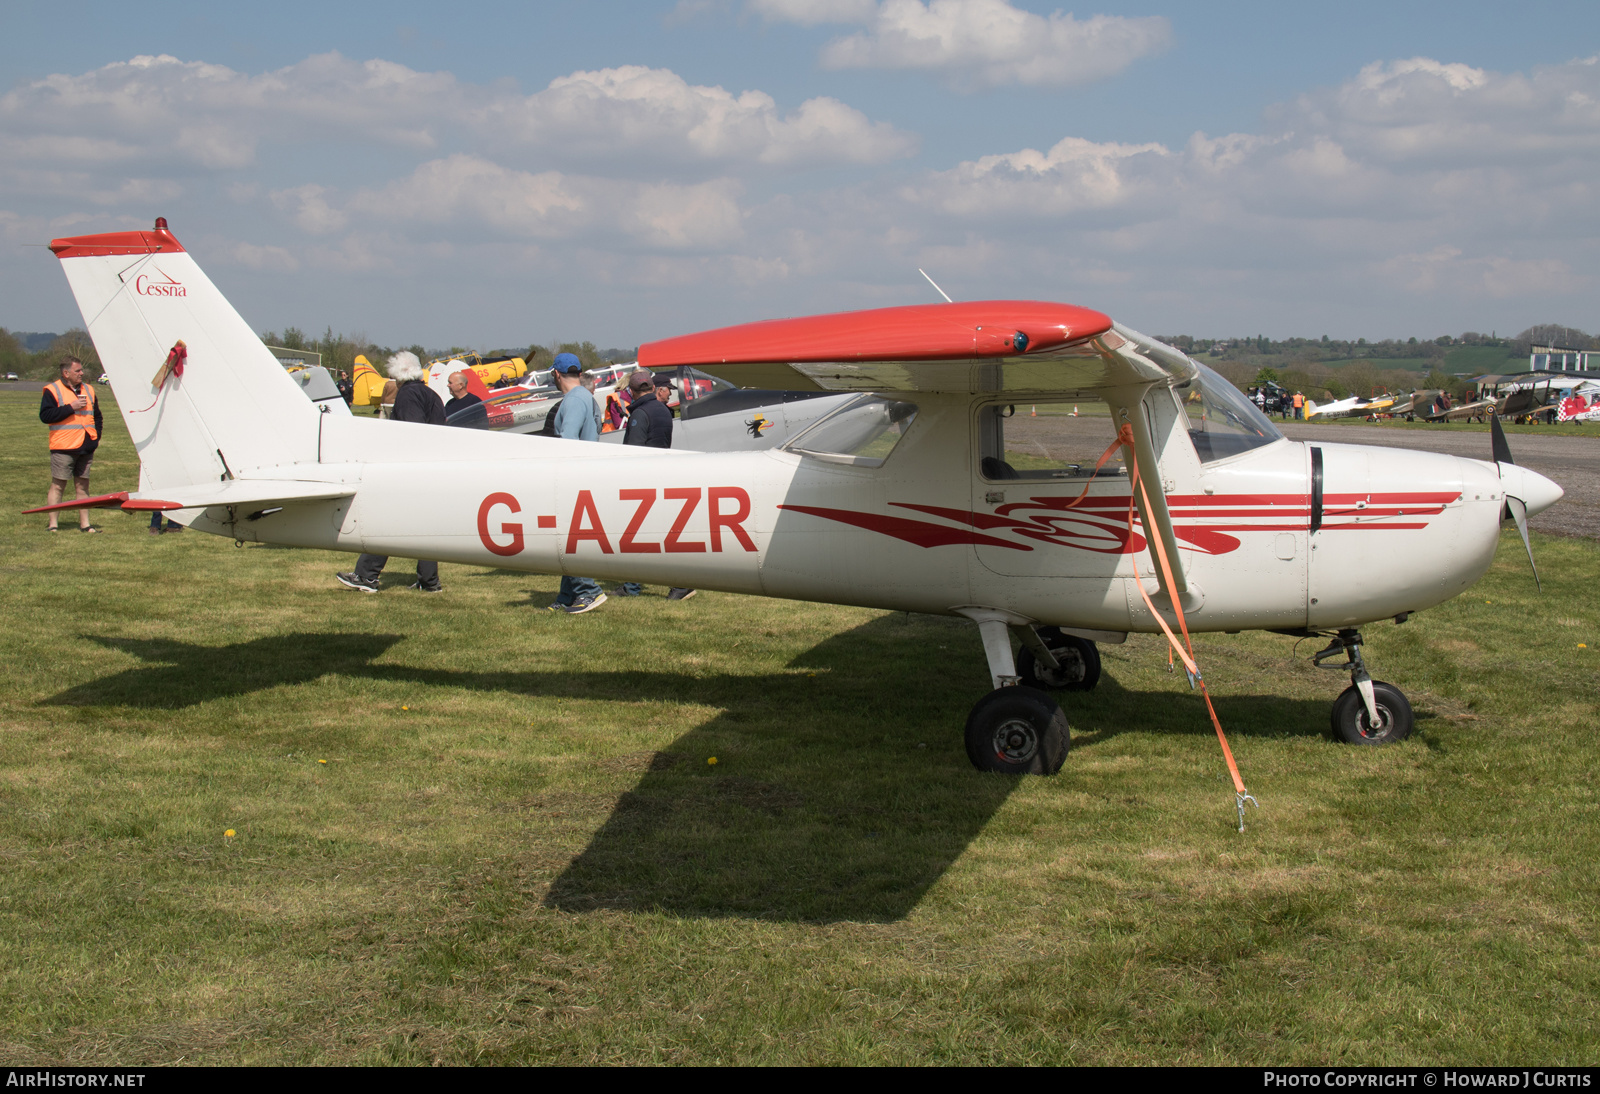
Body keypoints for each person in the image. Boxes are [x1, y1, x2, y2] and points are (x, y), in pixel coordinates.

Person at [336, 352, 445, 593]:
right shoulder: (432, 394)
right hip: (434, 467)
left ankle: (366, 576)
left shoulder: (407, 395)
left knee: (384, 521)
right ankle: (429, 582)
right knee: (425, 526)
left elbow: (410, 433)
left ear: (398, 375)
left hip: (411, 470)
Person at [617, 370, 696, 602]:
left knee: (638, 535)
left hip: (642, 482)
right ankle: (633, 585)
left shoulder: (639, 414)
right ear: (652, 388)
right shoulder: (663, 411)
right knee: (648, 536)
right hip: (661, 477)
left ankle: (679, 583)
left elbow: (633, 452)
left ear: (631, 392)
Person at [547, 353, 607, 614]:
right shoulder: (587, 397)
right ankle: (567, 595)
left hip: (572, 476)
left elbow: (567, 441)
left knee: (567, 538)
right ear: (579, 373)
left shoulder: (572, 401)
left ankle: (588, 591)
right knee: (568, 537)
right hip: (587, 472)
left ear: (556, 375)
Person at [39, 357, 103, 533]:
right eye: (78, 371)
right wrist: (71, 406)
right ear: (66, 373)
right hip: (63, 445)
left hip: (86, 445)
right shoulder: (52, 390)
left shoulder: (89, 389)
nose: (82, 373)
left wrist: (95, 438)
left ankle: (85, 524)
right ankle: (53, 524)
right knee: (58, 485)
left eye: (81, 370)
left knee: (83, 486)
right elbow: (45, 416)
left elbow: (97, 416)